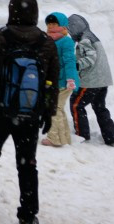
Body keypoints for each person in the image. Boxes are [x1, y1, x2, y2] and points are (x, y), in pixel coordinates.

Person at [0, 0, 58, 224]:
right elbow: (52, 81)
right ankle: (28, 214)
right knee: (27, 164)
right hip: (30, 112)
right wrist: (48, 112)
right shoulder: (47, 43)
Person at [67, 14, 114, 146]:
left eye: (70, 29)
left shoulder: (85, 40)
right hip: (103, 81)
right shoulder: (93, 37)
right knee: (100, 108)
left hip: (91, 81)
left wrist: (77, 65)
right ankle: (111, 137)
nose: (69, 32)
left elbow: (91, 57)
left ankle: (81, 135)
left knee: (76, 104)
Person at [42, 12, 79, 147]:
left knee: (54, 108)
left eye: (54, 23)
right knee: (58, 108)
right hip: (53, 80)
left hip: (64, 81)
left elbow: (69, 60)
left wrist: (70, 79)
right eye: (49, 24)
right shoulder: (48, 39)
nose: (51, 26)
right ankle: (64, 138)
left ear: (62, 25)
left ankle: (54, 138)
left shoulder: (66, 41)